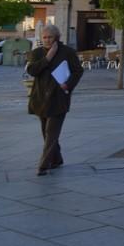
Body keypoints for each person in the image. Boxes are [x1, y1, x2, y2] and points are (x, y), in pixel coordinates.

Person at [27, 25, 83, 176]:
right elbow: (32, 70)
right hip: (40, 99)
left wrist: (68, 85)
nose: (47, 40)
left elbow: (78, 71)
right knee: (46, 133)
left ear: (56, 37)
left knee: (51, 133)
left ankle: (43, 165)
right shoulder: (37, 53)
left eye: (50, 37)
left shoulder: (68, 52)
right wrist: (47, 59)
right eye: (44, 37)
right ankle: (57, 159)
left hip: (59, 98)